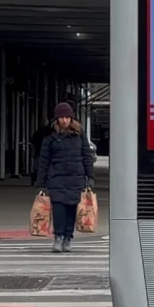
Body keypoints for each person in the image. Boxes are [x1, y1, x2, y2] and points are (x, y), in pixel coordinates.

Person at [35, 102, 94, 253]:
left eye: (67, 117)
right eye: (61, 117)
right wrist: (41, 183)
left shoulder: (79, 135)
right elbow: (43, 160)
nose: (65, 120)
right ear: (56, 119)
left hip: (76, 177)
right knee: (59, 208)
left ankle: (68, 237)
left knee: (72, 208)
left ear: (71, 118)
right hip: (56, 177)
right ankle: (58, 236)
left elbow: (87, 156)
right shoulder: (50, 136)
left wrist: (90, 176)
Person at [29, 116, 54, 186]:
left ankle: (35, 180)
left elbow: (33, 142)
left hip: (39, 150)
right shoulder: (49, 132)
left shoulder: (39, 132)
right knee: (41, 166)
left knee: (36, 166)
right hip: (41, 151)